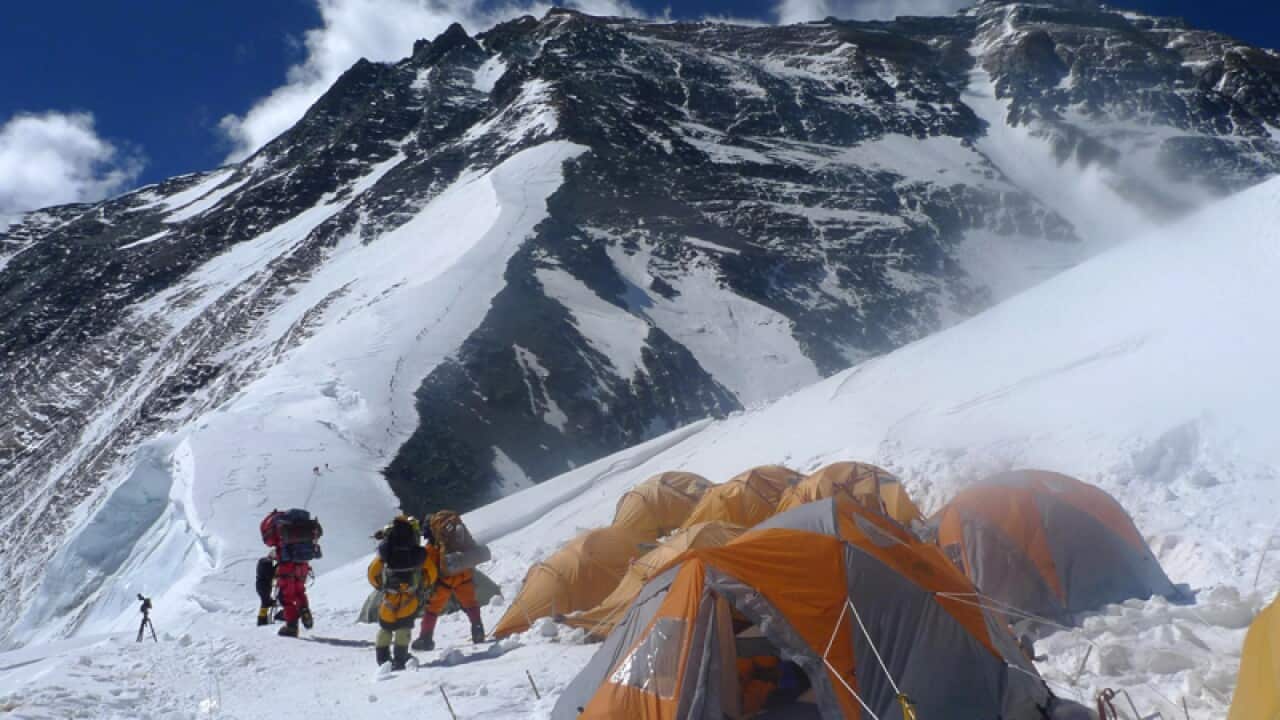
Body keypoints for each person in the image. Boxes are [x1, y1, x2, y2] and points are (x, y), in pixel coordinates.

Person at [368, 515, 439, 669]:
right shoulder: (417, 552)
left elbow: (373, 572)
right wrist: (423, 585)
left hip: (389, 596)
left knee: (386, 627)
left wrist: (380, 586)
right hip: (409, 595)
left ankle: (383, 659)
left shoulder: (387, 550)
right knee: (403, 627)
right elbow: (431, 573)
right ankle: (400, 658)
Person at [413, 511, 489, 651]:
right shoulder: (456, 539)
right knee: (471, 604)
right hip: (464, 574)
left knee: (432, 609)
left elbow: (429, 567)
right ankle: (478, 630)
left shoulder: (432, 547)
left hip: (445, 580)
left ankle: (425, 638)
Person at [258, 508, 323, 638]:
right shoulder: (302, 525)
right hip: (303, 564)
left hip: (287, 565)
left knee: (286, 597)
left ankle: (291, 626)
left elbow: (270, 542)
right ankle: (304, 611)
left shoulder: (279, 525)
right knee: (299, 591)